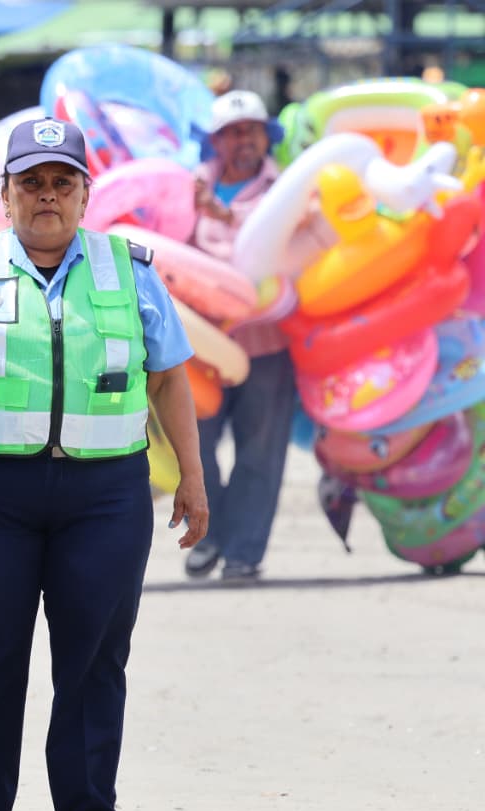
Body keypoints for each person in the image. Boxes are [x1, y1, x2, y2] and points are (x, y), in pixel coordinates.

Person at [0, 117, 208, 811]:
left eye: (61, 182)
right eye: (31, 183)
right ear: (3, 196)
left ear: (85, 193)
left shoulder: (129, 270)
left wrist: (193, 480)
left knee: (93, 667)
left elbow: (169, 379)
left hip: (104, 499)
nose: (47, 197)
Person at [188, 89, 318, 581]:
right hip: (197, 348)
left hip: (265, 343)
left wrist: (227, 218)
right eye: (234, 132)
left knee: (260, 453)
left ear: (267, 136)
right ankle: (209, 536)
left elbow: (294, 241)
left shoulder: (288, 188)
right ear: (216, 141)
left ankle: (243, 552)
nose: (245, 140)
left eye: (253, 130)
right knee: (193, 448)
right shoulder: (187, 187)